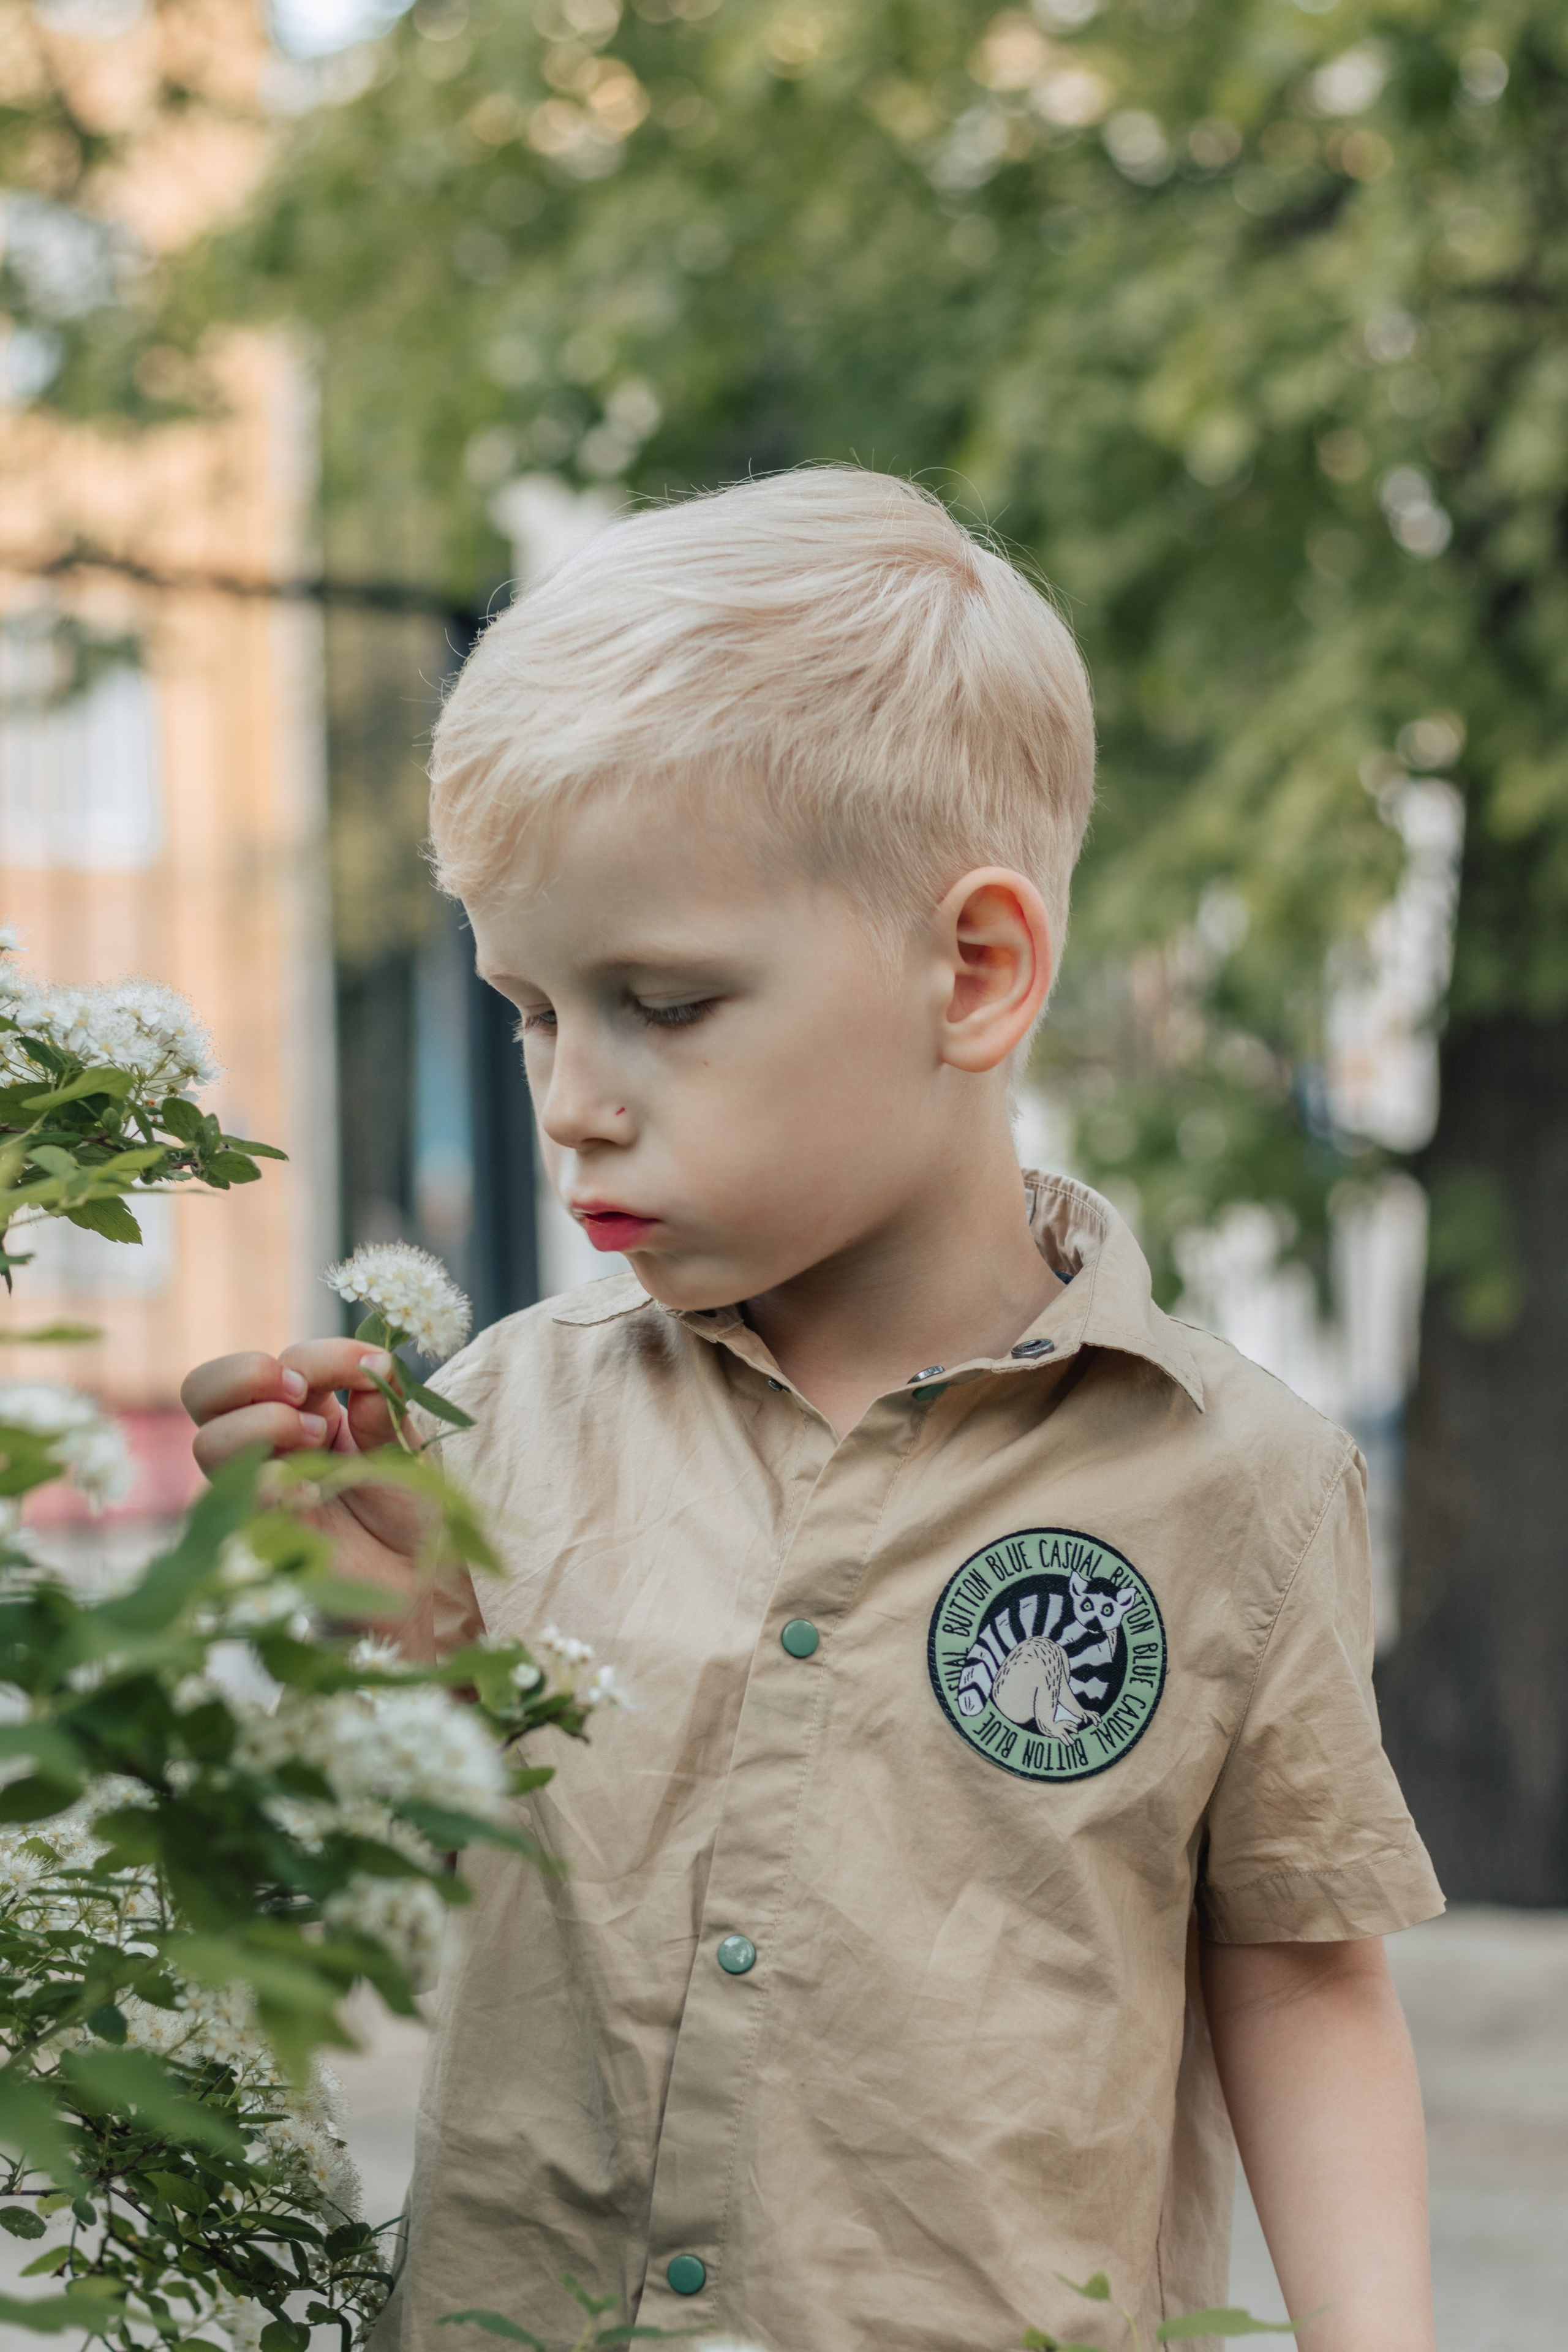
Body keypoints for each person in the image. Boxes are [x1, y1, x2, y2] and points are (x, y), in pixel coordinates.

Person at [182, 470, 1442, 2352]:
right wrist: (377, 1660)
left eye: (662, 1005)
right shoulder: (493, 1432)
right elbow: (379, 1911)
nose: (573, 1099)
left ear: (976, 970)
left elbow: (1303, 1972)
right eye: (532, 1010)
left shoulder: (1229, 1480)